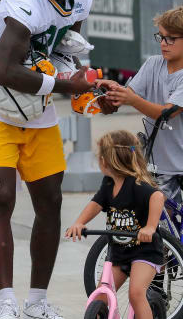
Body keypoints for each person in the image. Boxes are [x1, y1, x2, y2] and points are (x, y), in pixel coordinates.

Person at [0, 0, 94, 319]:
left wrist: (86, 85)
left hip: (36, 109)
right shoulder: (23, 2)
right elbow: (5, 71)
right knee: (3, 197)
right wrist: (65, 84)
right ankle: (6, 302)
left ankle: (36, 302)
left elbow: (65, 48)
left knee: (51, 201)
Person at [97, 6, 183, 318]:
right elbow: (129, 95)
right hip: (161, 163)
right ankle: (154, 287)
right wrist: (110, 98)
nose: (164, 44)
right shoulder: (153, 65)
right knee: (152, 226)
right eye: (161, 37)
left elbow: (166, 112)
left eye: (171, 39)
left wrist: (130, 100)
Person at [66, 130, 165, 319]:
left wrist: (150, 227)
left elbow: (157, 196)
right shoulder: (108, 184)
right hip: (119, 252)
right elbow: (95, 204)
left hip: (144, 251)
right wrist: (79, 223)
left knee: (136, 294)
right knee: (101, 296)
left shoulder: (135, 184)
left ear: (105, 160)